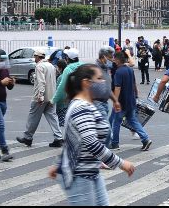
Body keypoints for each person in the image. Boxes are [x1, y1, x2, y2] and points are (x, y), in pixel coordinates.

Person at [49, 64, 136, 205]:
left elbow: (73, 139)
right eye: (99, 78)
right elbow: (90, 142)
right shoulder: (81, 107)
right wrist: (120, 163)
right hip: (80, 175)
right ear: (86, 82)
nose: (103, 82)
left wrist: (60, 164)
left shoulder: (88, 105)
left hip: (90, 171)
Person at [17, 48, 64, 148]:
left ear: (38, 57)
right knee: (52, 117)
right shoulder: (51, 66)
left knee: (33, 117)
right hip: (51, 96)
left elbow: (41, 82)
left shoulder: (39, 66)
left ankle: (28, 137)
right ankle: (59, 138)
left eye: (35, 56)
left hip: (41, 97)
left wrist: (40, 95)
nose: (34, 58)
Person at [110, 51, 152, 151]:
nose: (113, 60)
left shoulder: (118, 72)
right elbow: (134, 84)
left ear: (118, 60)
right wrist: (136, 94)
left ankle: (115, 143)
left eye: (114, 58)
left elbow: (117, 88)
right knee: (133, 120)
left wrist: (115, 101)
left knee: (116, 122)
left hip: (122, 102)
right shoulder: (129, 70)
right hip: (131, 100)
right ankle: (145, 139)